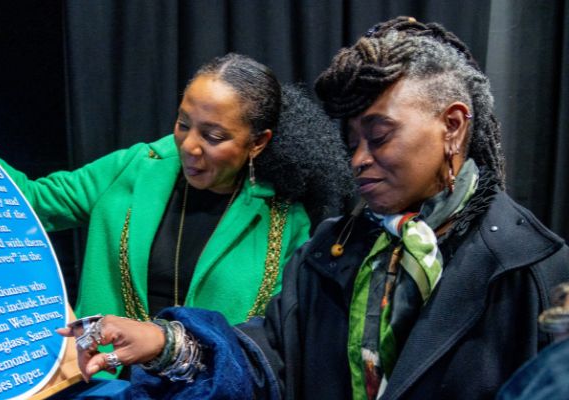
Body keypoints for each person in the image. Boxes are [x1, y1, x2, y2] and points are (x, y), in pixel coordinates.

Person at [60, 17, 569, 399]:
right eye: (352, 143)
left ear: (453, 126)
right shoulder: (330, 250)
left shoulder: (529, 268)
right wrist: (166, 342)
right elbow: (267, 360)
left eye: (380, 137)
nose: (360, 161)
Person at [0, 53, 351, 325]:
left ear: (258, 142)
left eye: (214, 137)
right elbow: (31, 202)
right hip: (109, 385)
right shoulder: (137, 166)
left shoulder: (287, 218)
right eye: (184, 124)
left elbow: (277, 333)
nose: (189, 146)